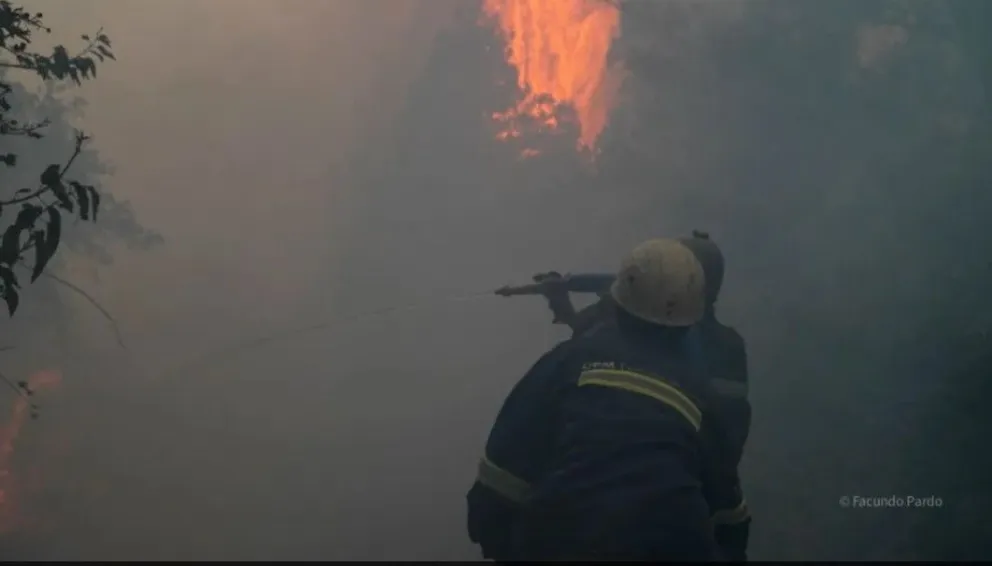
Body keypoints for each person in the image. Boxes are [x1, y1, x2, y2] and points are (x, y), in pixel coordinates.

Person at [467, 238, 723, 560]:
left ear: (620, 303)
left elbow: (496, 483)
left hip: (561, 541)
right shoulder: (705, 393)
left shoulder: (567, 364)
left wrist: (503, 544)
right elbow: (727, 512)